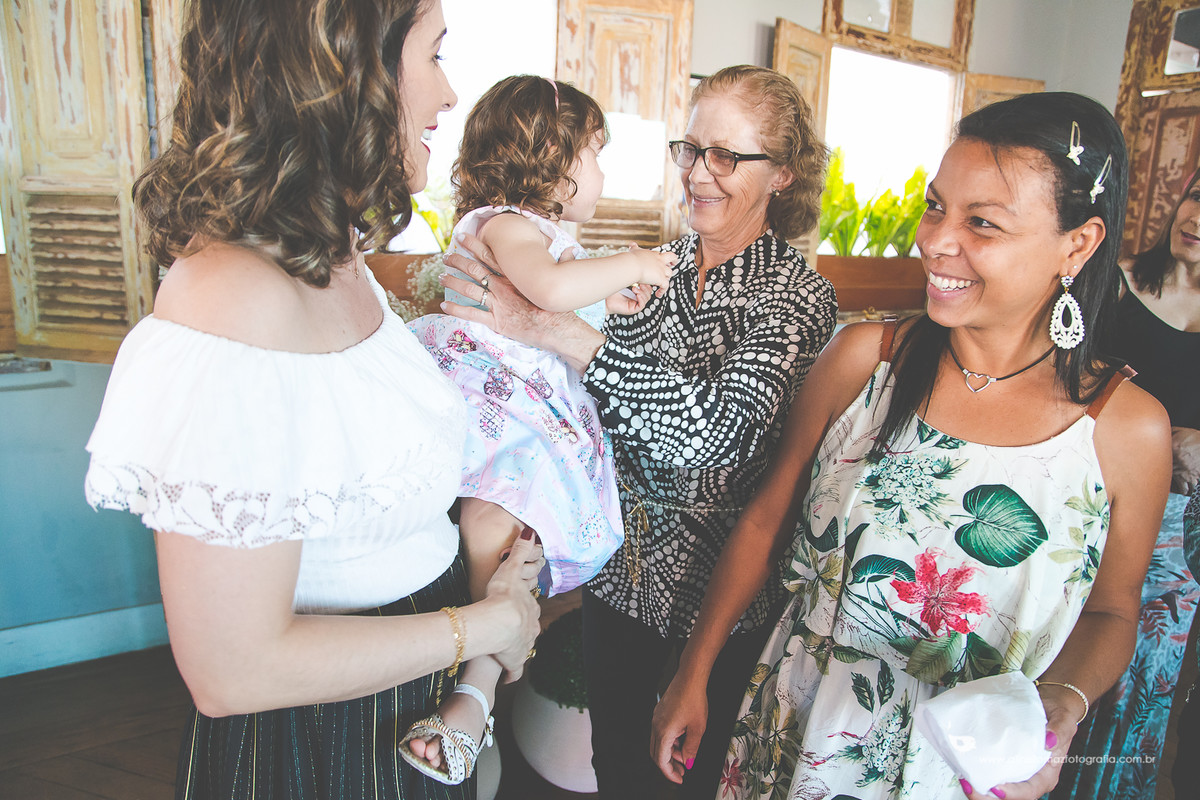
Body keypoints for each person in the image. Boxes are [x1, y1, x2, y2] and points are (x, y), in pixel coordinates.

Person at [650, 91, 1171, 800]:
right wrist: (695, 670)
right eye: (935, 207)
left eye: (981, 222)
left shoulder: (1123, 429)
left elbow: (1113, 610)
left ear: (1076, 245)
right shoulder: (865, 362)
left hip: (961, 768)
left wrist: (1062, 704)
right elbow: (765, 522)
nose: (934, 240)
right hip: (799, 724)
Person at [82, 1, 543, 797]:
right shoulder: (236, 301)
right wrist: (484, 626)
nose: (448, 94)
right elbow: (233, 670)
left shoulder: (335, 253)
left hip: (417, 699)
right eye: (434, 55)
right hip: (325, 740)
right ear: (347, 67)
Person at [441, 64, 837, 798]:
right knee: (616, 770)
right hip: (618, 580)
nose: (699, 172)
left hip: (713, 604)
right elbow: (580, 397)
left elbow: (712, 434)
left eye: (727, 155)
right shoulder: (653, 267)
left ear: (783, 174)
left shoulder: (796, 297)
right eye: (691, 149)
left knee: (684, 783)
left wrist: (550, 329)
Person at [399, 73, 676, 781]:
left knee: (518, 547)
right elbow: (548, 292)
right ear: (551, 162)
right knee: (496, 527)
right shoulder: (506, 225)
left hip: (530, 412)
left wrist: (612, 298)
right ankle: (478, 679)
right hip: (499, 402)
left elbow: (560, 302)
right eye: (595, 153)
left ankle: (477, 692)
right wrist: (635, 260)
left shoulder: (542, 238)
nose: (602, 171)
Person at [1054, 170, 1200, 799]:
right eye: (1197, 196)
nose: (1197, 218)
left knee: (1141, 687)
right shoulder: (1112, 282)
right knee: (1059, 655)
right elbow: (1056, 380)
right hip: (1086, 505)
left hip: (1179, 537)